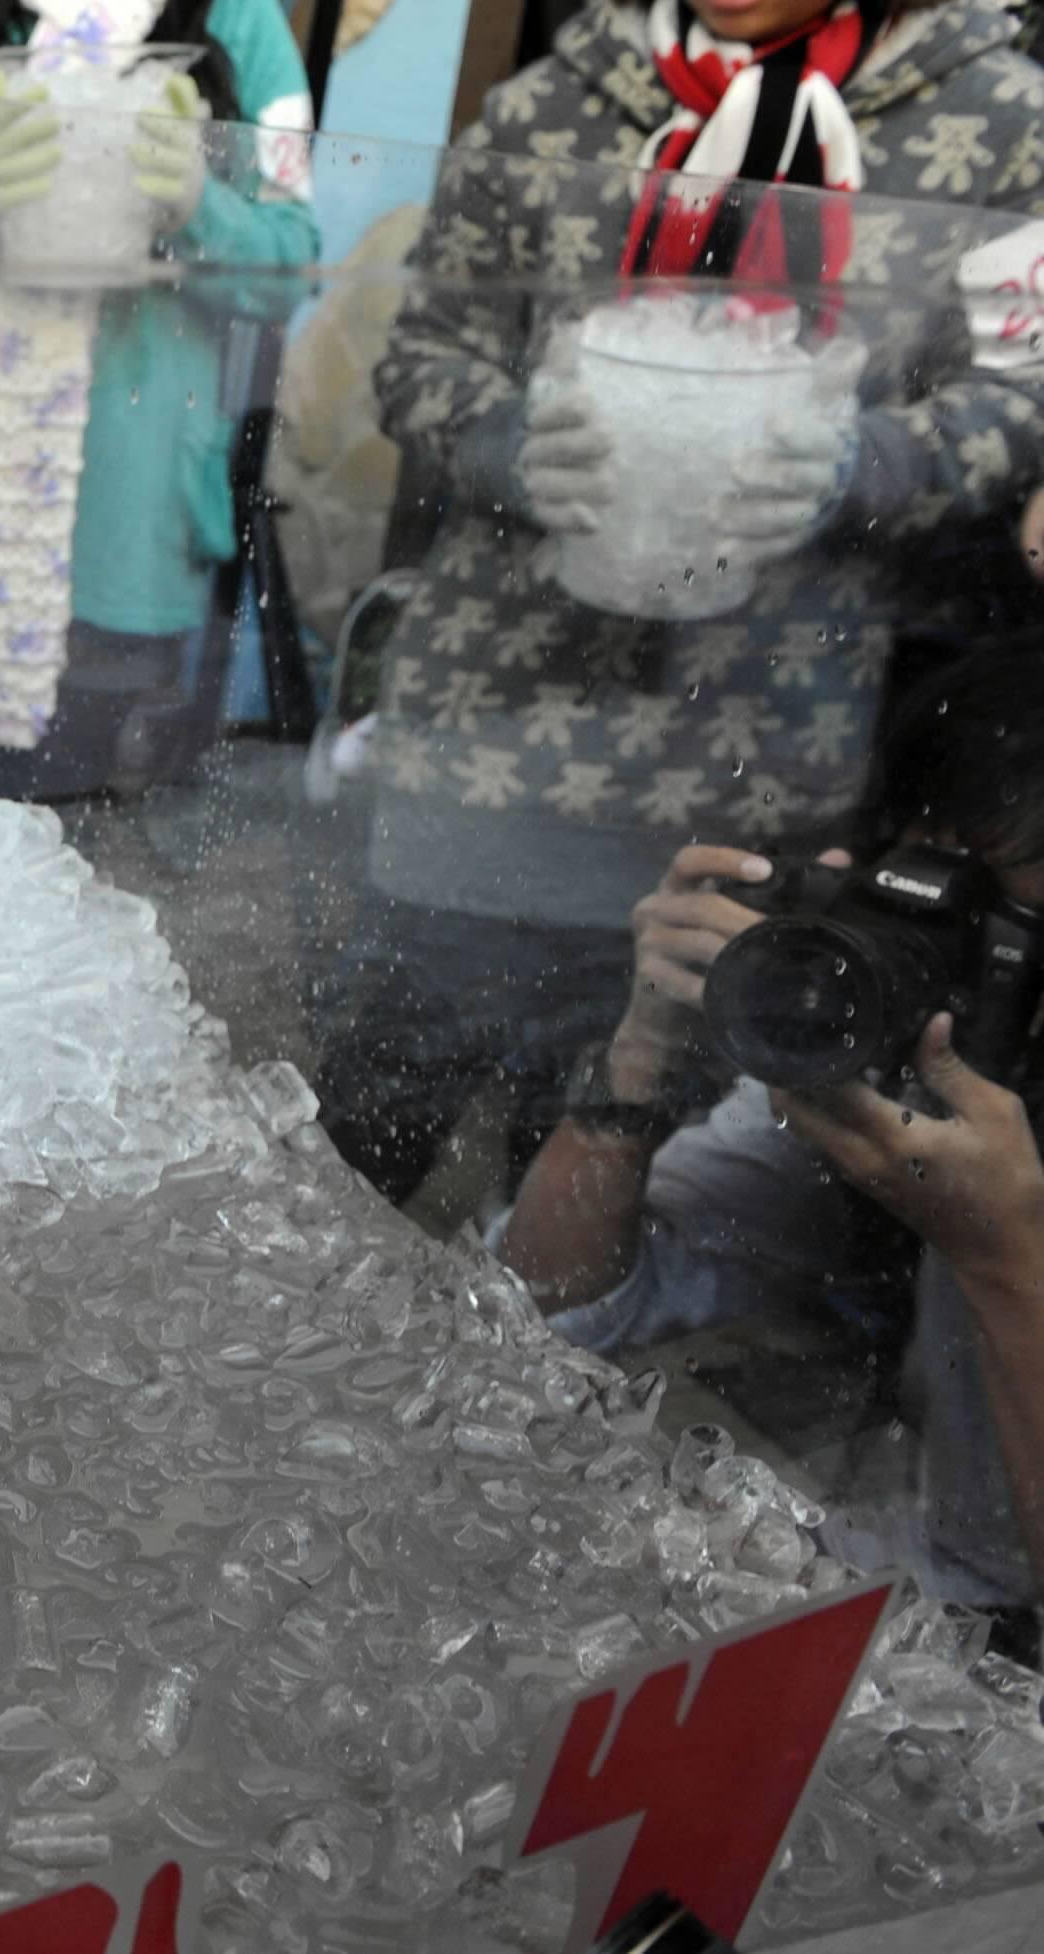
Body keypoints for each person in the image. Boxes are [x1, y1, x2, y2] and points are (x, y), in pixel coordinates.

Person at [324, 0, 1044, 1209]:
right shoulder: (558, 100)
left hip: (759, 762)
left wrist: (869, 463)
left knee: (631, 1178)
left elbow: (1025, 389)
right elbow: (424, 349)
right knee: (363, 1139)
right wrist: (501, 439)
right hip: (493, 734)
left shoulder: (998, 118)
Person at [498, 653, 1044, 1614]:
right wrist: (638, 1065)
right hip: (900, 1584)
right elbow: (545, 1312)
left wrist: (1003, 1257)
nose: (941, 937)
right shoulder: (905, 1065)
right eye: (920, 876)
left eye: (999, 919)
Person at [0, 0, 320, 785]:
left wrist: (199, 207)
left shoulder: (237, 20)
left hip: (127, 555)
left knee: (79, 849)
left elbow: (291, 268)